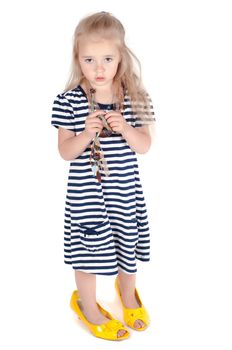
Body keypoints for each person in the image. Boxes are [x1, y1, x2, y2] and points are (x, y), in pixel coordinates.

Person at [51, 11, 156, 341]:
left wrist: (125, 128)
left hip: (125, 193)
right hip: (88, 199)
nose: (98, 68)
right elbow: (65, 151)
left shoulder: (136, 98)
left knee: (127, 242)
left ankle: (127, 295)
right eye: (89, 59)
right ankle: (88, 305)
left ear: (120, 58)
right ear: (77, 59)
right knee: (86, 250)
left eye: (107, 59)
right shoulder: (68, 101)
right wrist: (84, 134)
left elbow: (145, 146)